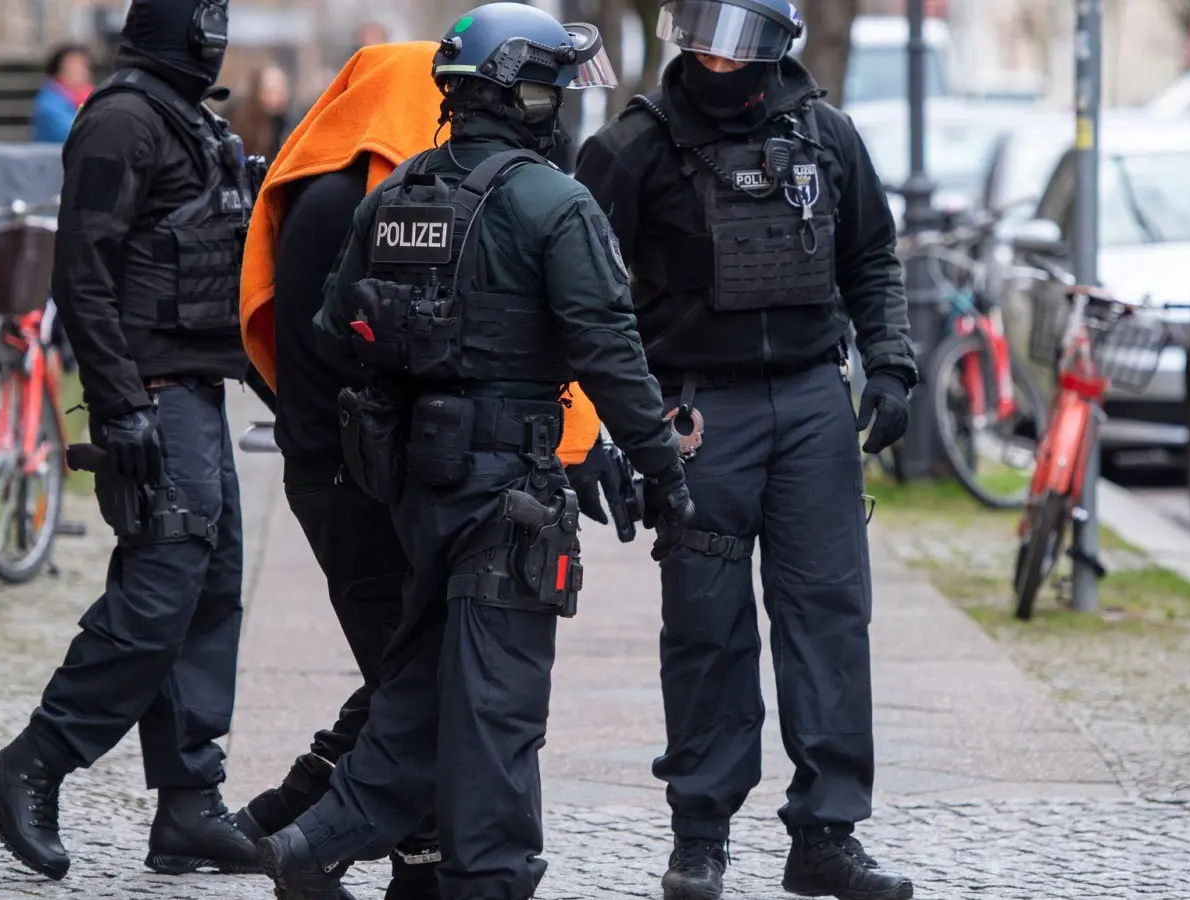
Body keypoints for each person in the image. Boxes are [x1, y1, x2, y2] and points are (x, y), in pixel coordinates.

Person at [254, 6, 694, 899]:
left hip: (420, 484)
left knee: (421, 685)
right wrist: (663, 468)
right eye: (557, 89)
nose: (566, 106)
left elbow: (335, 326)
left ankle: (308, 843)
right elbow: (611, 352)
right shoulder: (552, 202)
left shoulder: (398, 190)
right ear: (524, 92)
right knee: (497, 706)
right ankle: (488, 881)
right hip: (512, 492)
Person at [573, 2, 917, 899]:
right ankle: (700, 836)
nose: (718, 56)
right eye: (703, 31)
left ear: (773, 44)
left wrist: (890, 366)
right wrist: (598, 430)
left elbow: (872, 258)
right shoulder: (630, 150)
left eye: (738, 38)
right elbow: (572, 298)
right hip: (696, 414)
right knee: (706, 626)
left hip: (811, 404)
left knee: (829, 619)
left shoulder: (828, 136)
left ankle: (827, 836)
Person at [0, 0, 260, 882]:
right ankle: (32, 763)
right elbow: (81, 274)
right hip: (156, 402)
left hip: (195, 398)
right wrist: (121, 405)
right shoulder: (122, 120)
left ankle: (188, 808)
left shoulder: (186, 122)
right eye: (207, 19)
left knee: (207, 601)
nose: (219, 35)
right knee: (155, 604)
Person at [224, 63, 295, 161]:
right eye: (273, 91)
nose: (280, 97)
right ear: (258, 91)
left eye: (282, 91)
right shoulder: (235, 115)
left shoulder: (283, 123)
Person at [33, 44, 95, 143]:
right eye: (74, 67)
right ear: (58, 70)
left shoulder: (89, 96)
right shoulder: (49, 105)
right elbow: (77, 135)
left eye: (85, 66)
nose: (82, 72)